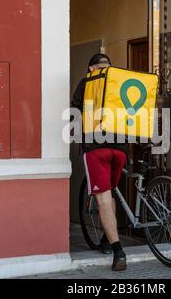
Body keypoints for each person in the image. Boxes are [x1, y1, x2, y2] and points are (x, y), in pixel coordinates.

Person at [71, 53, 128, 271]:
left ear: (91, 68)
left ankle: (118, 251)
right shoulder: (118, 84)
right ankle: (106, 237)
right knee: (111, 192)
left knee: (103, 198)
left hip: (97, 150)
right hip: (120, 149)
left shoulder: (87, 82)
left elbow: (75, 111)